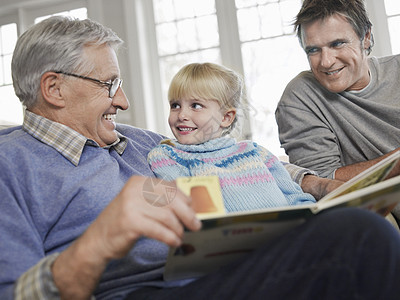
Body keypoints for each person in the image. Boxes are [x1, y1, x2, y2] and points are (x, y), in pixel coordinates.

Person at [1, 16, 399, 300]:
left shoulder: (139, 142)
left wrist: (312, 183)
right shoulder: (11, 167)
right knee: (359, 236)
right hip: (143, 291)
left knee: (358, 224)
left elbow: (226, 155)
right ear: (53, 88)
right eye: (110, 84)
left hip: (217, 272)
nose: (123, 100)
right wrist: (97, 243)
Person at [275, 0, 400, 222]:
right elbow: (320, 181)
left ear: (367, 37)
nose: (326, 61)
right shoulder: (300, 97)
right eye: (313, 50)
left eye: (338, 44)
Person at [148, 62, 315, 212]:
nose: (182, 114)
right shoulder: (166, 156)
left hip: (289, 232)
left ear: (226, 117)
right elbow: (195, 213)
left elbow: (296, 198)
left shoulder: (255, 152)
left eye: (196, 105)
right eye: (175, 105)